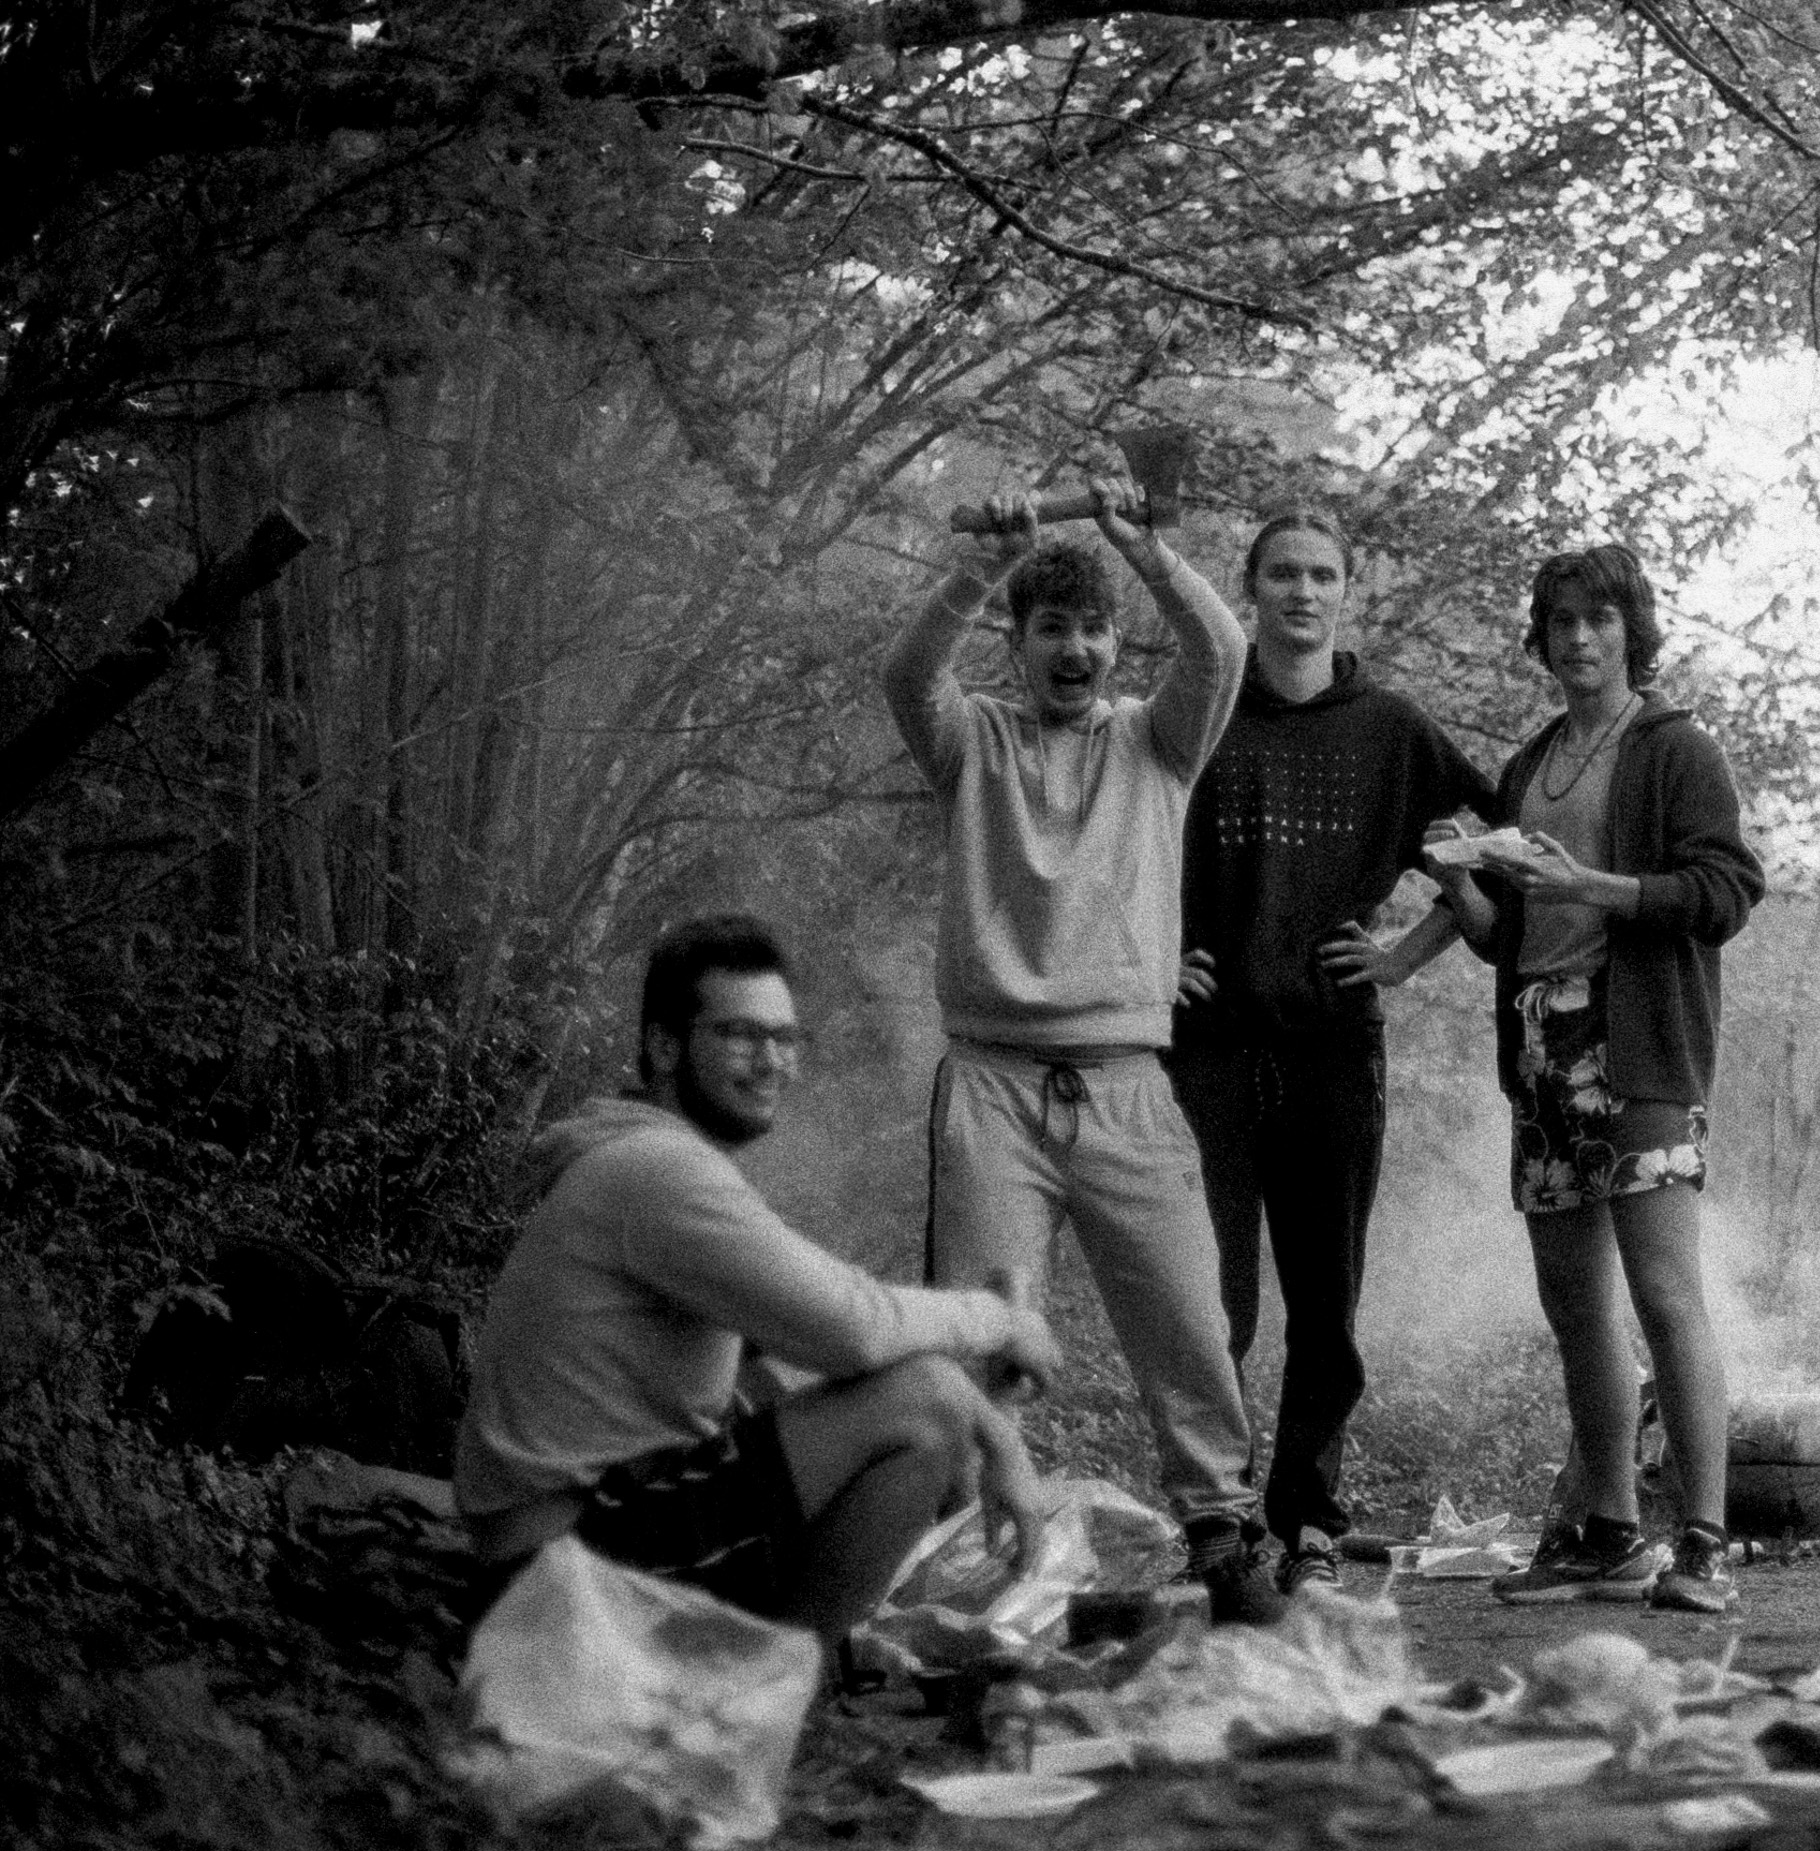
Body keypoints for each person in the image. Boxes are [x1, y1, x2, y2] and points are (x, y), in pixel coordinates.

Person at [883, 480, 1281, 1624]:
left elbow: (1222, 648)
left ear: (1115, 644)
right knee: (985, 1332)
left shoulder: (1158, 742)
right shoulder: (972, 739)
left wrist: (1143, 546)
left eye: (1095, 629)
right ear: (1016, 644)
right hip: (993, 1085)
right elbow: (907, 673)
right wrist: (983, 563)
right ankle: (973, 1545)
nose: (1076, 648)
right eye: (1052, 627)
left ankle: (1221, 1530)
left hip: (1127, 1085)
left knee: (1189, 1323)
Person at [452, 915, 1061, 1652]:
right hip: (557, 1577)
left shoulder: (640, 1154)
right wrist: (1002, 1321)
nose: (772, 1061)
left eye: (785, 1038)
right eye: (741, 1035)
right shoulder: (658, 1172)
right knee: (923, 1404)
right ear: (665, 1047)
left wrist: (985, 1415)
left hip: (569, 1544)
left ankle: (770, 1665)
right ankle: (777, 1683)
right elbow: (855, 1326)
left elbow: (809, 1350)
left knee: (831, 1386)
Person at [1430, 544, 1765, 1614]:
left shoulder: (1676, 749)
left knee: (1665, 1293)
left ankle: (1703, 1541)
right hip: (1542, 1048)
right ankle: (1612, 1533)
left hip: (1640, 1049)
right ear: (1541, 637)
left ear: (1632, 631)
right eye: (1561, 621)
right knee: (1575, 1304)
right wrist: (1460, 881)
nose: (1578, 637)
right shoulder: (1532, 763)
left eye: (1599, 619)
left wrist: (1593, 884)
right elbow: (1508, 935)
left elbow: (1725, 891)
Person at [1171, 509, 1498, 1595]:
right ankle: (1218, 1517)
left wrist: (1404, 955)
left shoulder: (1390, 730)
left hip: (1330, 1047)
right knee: (1212, 1301)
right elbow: (1115, 842)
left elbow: (1497, 851)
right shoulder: (1201, 710)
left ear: (1346, 592)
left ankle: (1308, 1516)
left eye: (1322, 575)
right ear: (1250, 586)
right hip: (1207, 1048)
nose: (1302, 592)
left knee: (1325, 1300)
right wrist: (1151, 958)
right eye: (1283, 573)